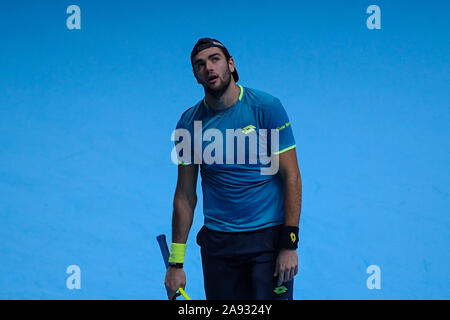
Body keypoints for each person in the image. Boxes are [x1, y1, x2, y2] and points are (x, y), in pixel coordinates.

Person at [165, 38, 302, 300]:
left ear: (230, 64)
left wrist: (289, 245)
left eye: (215, 59)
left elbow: (291, 176)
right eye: (200, 65)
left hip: (268, 242)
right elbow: (185, 195)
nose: (208, 67)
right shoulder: (188, 123)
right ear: (196, 76)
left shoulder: (266, 108)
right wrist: (176, 263)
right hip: (219, 246)